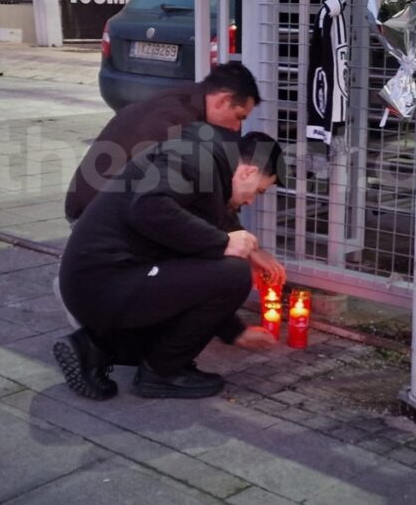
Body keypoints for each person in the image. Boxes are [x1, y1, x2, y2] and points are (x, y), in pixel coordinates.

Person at [53, 123, 288, 400]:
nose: (251, 201)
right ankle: (161, 374)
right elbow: (147, 208)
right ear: (248, 171)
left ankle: (93, 349)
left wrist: (234, 330)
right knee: (234, 273)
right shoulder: (196, 162)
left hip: (102, 282)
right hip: (100, 285)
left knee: (214, 272)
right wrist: (224, 243)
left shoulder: (206, 168)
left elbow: (207, 233)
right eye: (259, 191)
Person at [63, 60, 285, 283]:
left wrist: (241, 241)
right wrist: (231, 242)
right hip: (94, 218)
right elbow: (166, 205)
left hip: (108, 204)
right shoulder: (176, 125)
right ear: (223, 100)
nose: (237, 128)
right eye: (239, 117)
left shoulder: (186, 101)